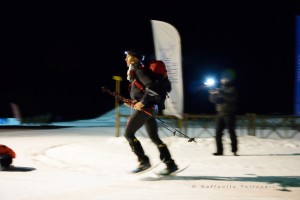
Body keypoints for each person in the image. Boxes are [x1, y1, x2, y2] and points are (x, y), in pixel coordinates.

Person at [123, 50, 178, 175]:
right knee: (154, 137)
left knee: (128, 134)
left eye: (127, 56)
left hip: (146, 108)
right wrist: (134, 102)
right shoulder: (137, 70)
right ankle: (170, 164)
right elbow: (143, 91)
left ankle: (143, 161)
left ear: (134, 58)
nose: (125, 59)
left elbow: (151, 87)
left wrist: (141, 103)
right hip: (150, 108)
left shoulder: (138, 70)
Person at [209, 73, 238, 156]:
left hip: (229, 114)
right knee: (218, 133)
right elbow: (214, 101)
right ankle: (219, 151)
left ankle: (234, 150)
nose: (223, 80)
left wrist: (220, 92)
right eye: (222, 79)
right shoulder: (220, 89)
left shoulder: (232, 89)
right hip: (220, 114)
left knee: (231, 132)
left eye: (225, 79)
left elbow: (231, 98)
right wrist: (212, 94)